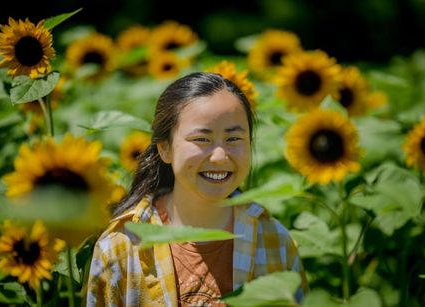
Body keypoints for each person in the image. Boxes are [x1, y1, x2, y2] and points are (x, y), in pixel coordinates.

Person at [86, 72, 308, 306]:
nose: (220, 157)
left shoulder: (274, 241)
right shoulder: (121, 246)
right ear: (165, 149)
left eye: (233, 139)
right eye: (202, 139)